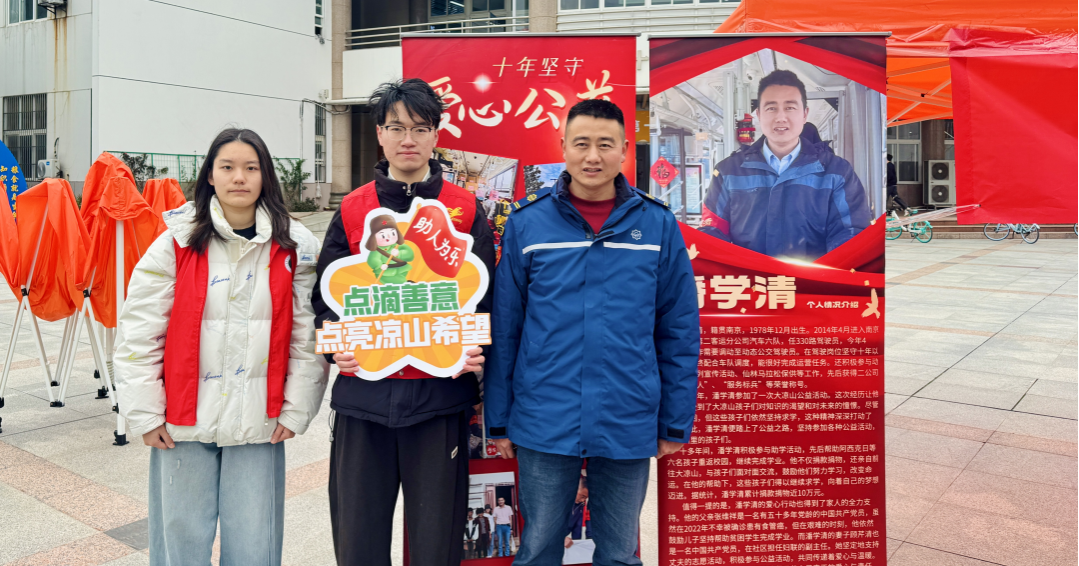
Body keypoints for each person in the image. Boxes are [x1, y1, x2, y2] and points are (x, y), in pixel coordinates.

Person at [486, 99, 700, 566]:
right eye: (581, 143)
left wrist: (674, 421)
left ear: (624, 151)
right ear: (563, 147)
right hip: (545, 416)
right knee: (538, 548)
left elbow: (679, 331)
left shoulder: (657, 224)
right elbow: (506, 328)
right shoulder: (527, 223)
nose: (592, 156)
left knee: (620, 552)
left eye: (606, 145)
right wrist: (499, 419)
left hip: (628, 414)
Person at [115, 128, 327, 566]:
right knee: (180, 539)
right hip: (182, 417)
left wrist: (296, 409)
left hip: (259, 417)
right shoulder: (176, 240)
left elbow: (307, 336)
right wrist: (145, 413)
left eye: (251, 168)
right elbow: (139, 331)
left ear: (266, 176)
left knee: (254, 539)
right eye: (227, 167)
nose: (239, 177)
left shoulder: (295, 246)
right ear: (210, 175)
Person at [311, 79, 497, 566]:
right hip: (363, 401)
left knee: (437, 544)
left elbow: (486, 299)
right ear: (380, 134)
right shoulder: (353, 208)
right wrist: (335, 346)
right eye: (396, 127)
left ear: (436, 134)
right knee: (358, 542)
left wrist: (476, 349)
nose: (407, 139)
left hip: (440, 402)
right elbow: (325, 300)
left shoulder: (465, 210)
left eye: (419, 128)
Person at [700, 69, 872, 260]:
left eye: (790, 107)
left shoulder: (837, 172)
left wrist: (828, 271)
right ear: (759, 115)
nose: (781, 117)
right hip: (750, 278)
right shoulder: (728, 172)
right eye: (771, 108)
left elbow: (850, 232)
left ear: (805, 114)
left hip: (813, 278)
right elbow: (712, 230)